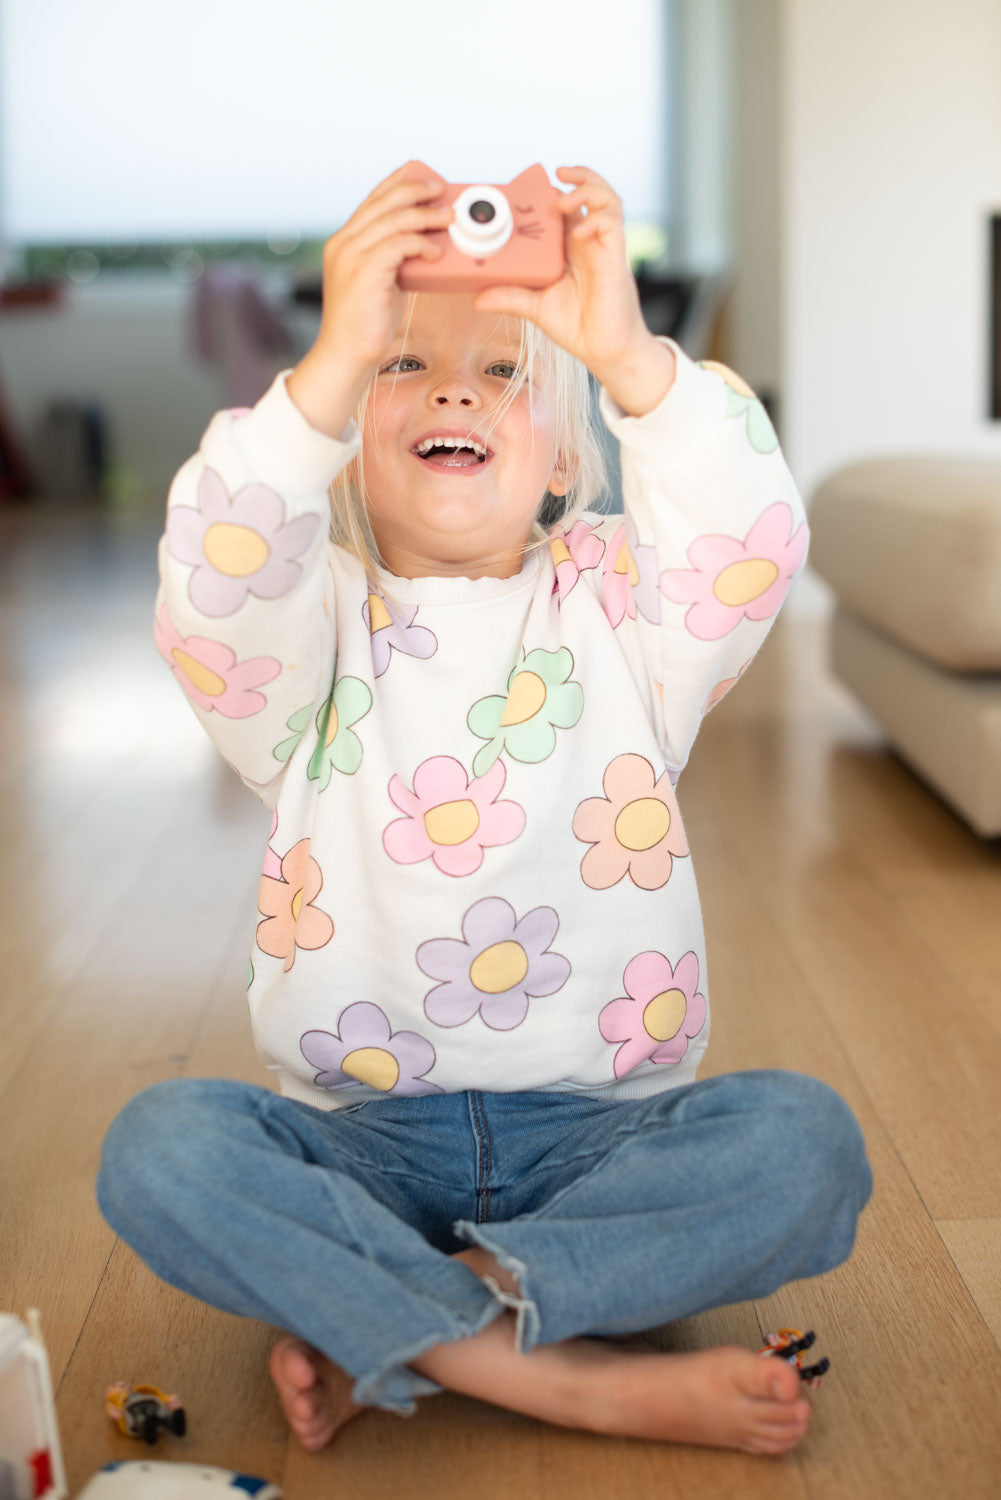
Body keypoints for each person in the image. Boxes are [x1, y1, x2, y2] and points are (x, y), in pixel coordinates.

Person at [97, 164, 872, 1458]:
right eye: (404, 367)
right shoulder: (306, 632)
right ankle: (566, 1374)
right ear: (346, 434)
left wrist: (624, 355)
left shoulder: (629, 610)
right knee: (159, 1149)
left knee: (806, 1144)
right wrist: (329, 361)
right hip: (362, 1149)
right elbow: (214, 581)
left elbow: (747, 537)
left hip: (606, 1139)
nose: (454, 389)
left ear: (570, 458)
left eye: (506, 373)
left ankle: (412, 1333)